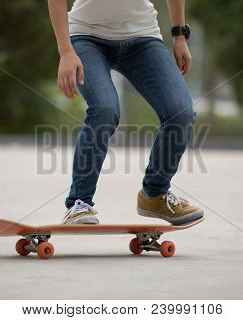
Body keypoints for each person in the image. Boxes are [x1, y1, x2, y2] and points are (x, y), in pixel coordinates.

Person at [47, 0, 204, 225]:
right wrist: (65, 51)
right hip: (86, 36)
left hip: (143, 37)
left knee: (180, 112)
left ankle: (155, 194)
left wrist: (180, 36)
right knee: (105, 110)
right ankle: (79, 203)